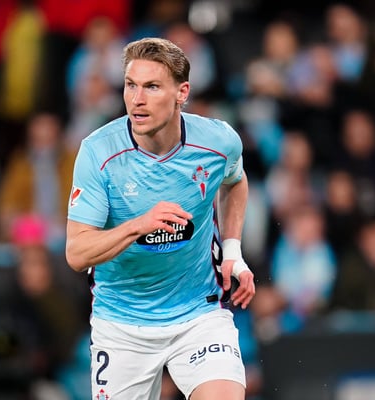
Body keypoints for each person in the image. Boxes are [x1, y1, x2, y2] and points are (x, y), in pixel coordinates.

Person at [65, 37, 255, 400]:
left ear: (182, 93)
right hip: (122, 324)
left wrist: (232, 252)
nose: (137, 99)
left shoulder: (218, 142)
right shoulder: (98, 153)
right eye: (130, 85)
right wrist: (138, 225)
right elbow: (76, 253)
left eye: (152, 87)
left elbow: (235, 180)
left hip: (198, 313)